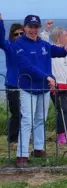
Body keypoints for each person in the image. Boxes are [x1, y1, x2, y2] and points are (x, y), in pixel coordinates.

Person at [14, 14, 67, 167]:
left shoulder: (44, 44)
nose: (33, 30)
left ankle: (38, 148)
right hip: (28, 88)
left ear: (39, 28)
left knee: (40, 119)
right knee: (27, 120)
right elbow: (26, 66)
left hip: (44, 88)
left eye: (36, 27)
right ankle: (22, 154)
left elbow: (61, 52)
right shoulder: (19, 44)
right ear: (25, 28)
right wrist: (47, 77)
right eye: (30, 27)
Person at [0, 13, 24, 148]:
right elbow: (0, 41)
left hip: (26, 84)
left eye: (21, 34)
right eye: (16, 34)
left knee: (27, 113)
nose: (19, 36)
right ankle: (12, 139)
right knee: (16, 113)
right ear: (12, 35)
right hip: (12, 84)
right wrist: (0, 23)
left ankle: (24, 136)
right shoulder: (9, 46)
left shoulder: (26, 46)